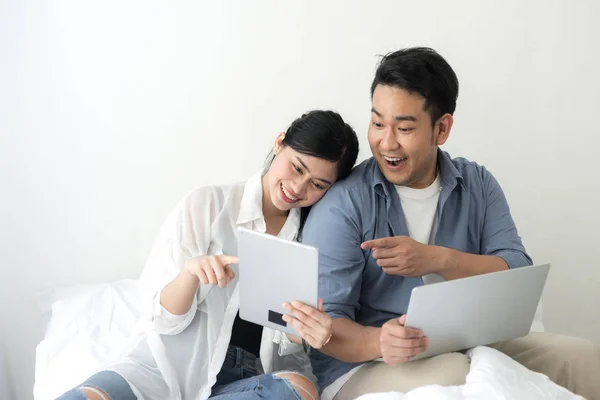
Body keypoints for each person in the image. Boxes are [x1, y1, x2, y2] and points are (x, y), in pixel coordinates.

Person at [301, 47, 600, 400]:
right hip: (367, 365)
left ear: (441, 128)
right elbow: (323, 324)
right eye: (378, 123)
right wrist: (379, 341)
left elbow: (517, 270)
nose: (386, 142)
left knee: (585, 360)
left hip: (471, 343)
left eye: (405, 127)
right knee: (455, 378)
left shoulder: (477, 183)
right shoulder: (345, 203)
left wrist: (439, 260)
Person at [57, 110, 359, 400]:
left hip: (245, 380)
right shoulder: (209, 205)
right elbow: (162, 321)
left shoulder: (308, 241)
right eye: (297, 167)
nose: (298, 187)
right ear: (279, 142)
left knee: (301, 389)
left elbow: (284, 347)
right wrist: (190, 274)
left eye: (317, 185)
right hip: (164, 368)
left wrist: (302, 333)